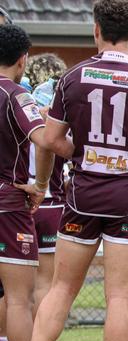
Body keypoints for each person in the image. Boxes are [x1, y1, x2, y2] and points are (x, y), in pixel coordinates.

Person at [24, 1, 128, 341]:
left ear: (95, 29)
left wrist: (86, 149)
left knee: (61, 289)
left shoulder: (72, 77)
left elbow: (50, 140)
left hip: (82, 195)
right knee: (119, 297)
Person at [0, 24, 54, 341]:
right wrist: (41, 185)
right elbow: (45, 140)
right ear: (23, 60)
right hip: (8, 203)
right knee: (19, 298)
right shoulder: (18, 94)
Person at [23, 53, 68, 313]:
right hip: (50, 201)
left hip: (19, 200)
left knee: (14, 285)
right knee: (44, 283)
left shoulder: (18, 109)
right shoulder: (62, 120)